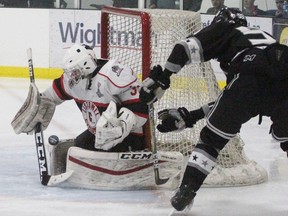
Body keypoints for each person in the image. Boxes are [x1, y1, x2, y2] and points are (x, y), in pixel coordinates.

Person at [139, 7, 288, 212]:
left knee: (211, 139)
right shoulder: (263, 37)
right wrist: (192, 116)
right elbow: (230, 99)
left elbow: (182, 49)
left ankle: (187, 190)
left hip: (249, 75)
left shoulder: (226, 28)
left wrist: (163, 77)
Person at [13, 44, 148, 152]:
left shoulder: (113, 75)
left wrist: (120, 127)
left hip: (130, 137)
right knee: (78, 148)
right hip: (98, 136)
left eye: (75, 71)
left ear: (86, 65)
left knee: (84, 153)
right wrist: (38, 105)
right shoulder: (73, 82)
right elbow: (51, 96)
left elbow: (141, 110)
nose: (71, 76)